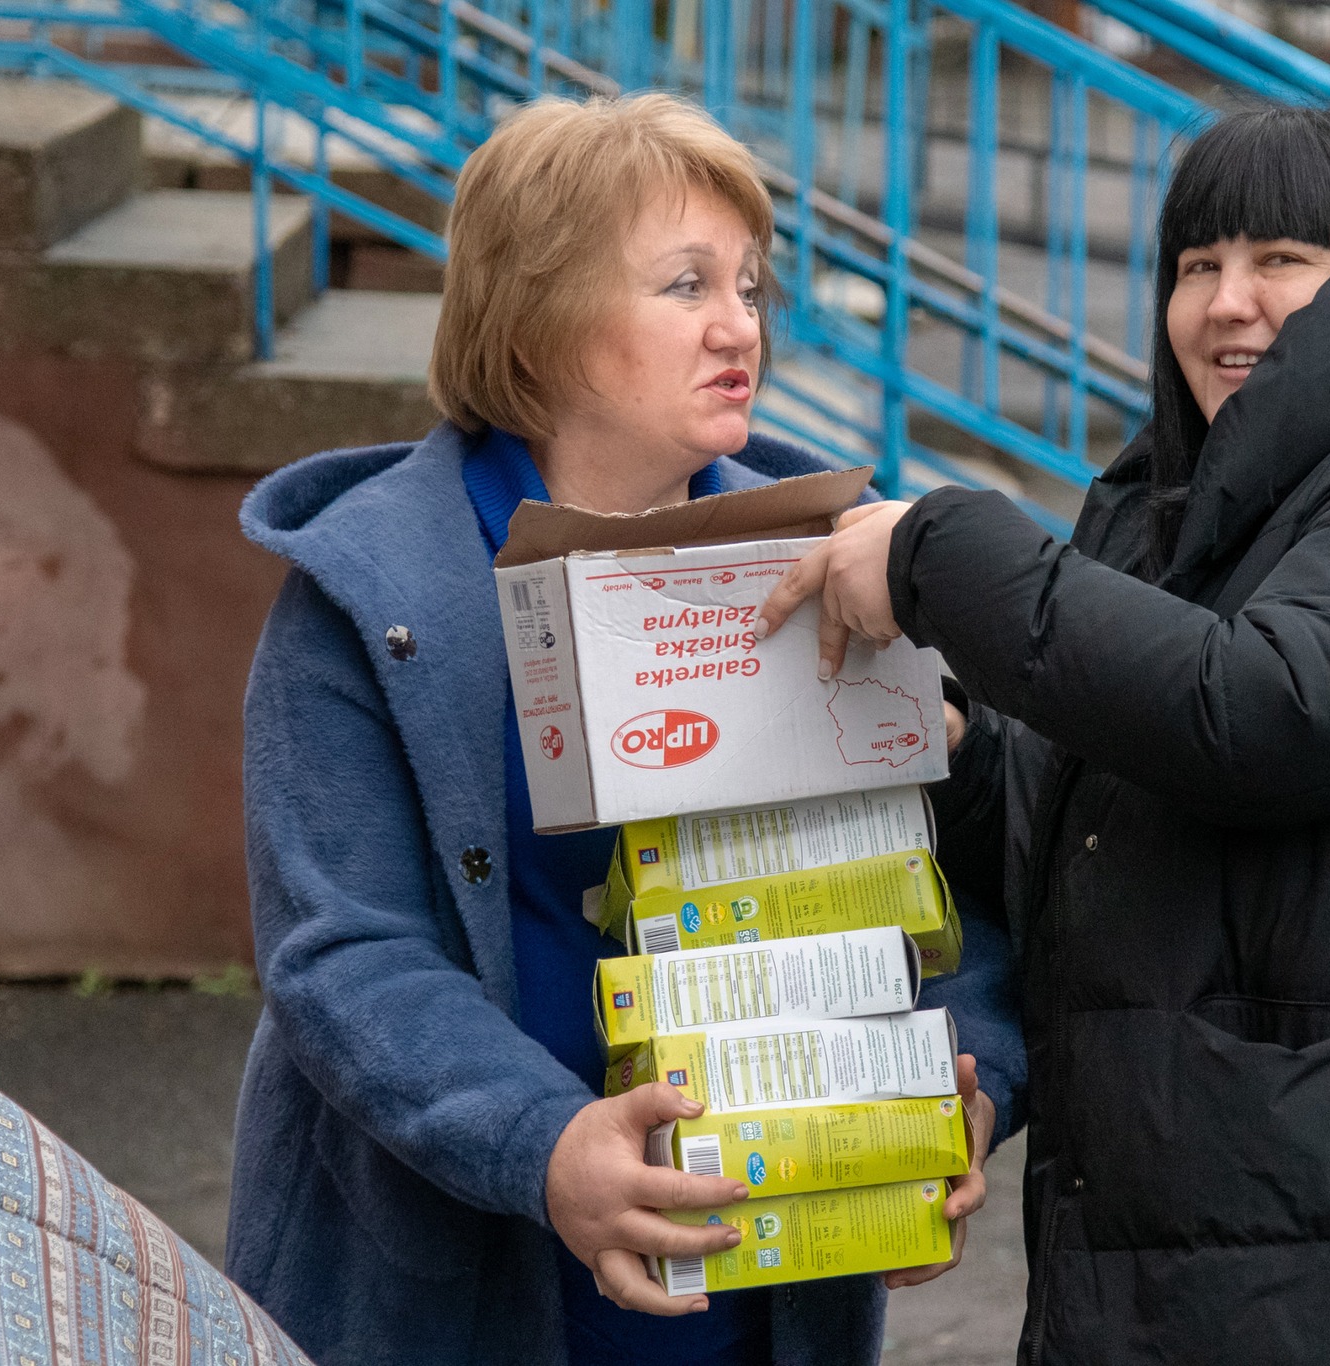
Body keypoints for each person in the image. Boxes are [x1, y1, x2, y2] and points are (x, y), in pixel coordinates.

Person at [762, 107, 1330, 1363]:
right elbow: (1110, 831)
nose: (1226, 303)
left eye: (1282, 261)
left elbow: (1266, 714)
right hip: (1225, 1250)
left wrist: (940, 548)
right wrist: (946, 754)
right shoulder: (1174, 509)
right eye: (1196, 265)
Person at [227, 93, 1022, 1366]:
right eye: (684, 284)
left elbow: (954, 886)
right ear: (539, 319)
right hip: (447, 1293)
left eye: (750, 287)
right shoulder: (371, 592)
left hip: (758, 1299)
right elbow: (344, 954)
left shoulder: (840, 554)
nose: (738, 328)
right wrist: (542, 1146)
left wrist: (954, 1095)